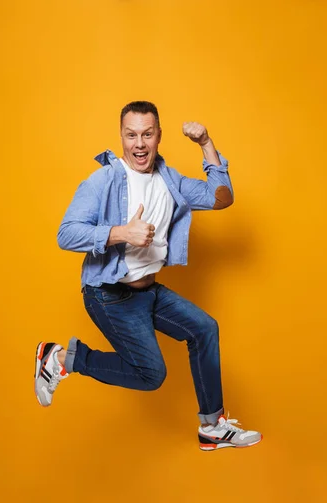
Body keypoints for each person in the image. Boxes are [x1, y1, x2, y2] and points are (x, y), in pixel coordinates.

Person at [34, 100, 262, 451]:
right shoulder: (104, 180)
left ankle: (212, 427)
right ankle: (59, 359)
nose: (139, 144)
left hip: (148, 292)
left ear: (158, 137)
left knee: (204, 329)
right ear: (122, 138)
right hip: (109, 295)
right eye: (131, 135)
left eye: (147, 134)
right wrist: (121, 233)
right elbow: (66, 233)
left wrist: (206, 143)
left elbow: (222, 198)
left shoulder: (170, 181)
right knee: (152, 375)